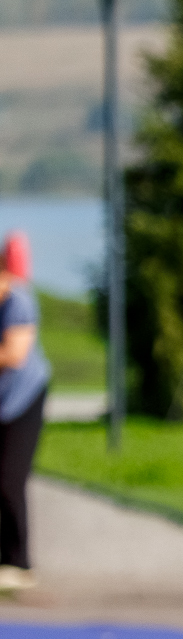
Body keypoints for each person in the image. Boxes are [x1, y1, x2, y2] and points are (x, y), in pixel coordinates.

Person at [0, 231, 51, 592]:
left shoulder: (19, 300)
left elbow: (15, 353)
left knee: (9, 478)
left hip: (23, 400)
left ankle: (19, 563)